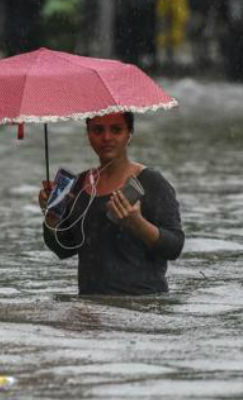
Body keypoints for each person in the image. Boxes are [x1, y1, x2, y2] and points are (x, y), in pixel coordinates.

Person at [38, 112, 184, 296]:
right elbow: (63, 249)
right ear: (88, 135)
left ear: (129, 134)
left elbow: (175, 246)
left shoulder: (151, 182)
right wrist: (52, 218)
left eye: (116, 130)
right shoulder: (78, 184)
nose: (107, 137)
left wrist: (137, 223)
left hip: (142, 305)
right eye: (98, 130)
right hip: (92, 307)